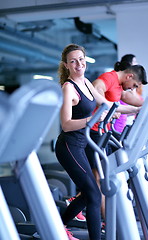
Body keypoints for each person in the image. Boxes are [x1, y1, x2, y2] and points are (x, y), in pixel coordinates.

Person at [55, 43, 115, 240]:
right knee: (94, 195)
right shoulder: (68, 88)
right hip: (68, 146)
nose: (78, 64)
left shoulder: (87, 83)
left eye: (81, 59)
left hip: (83, 144)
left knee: (91, 192)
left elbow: (104, 104)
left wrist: (130, 110)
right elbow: (66, 124)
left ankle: (57, 226)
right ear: (66, 65)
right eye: (73, 61)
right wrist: (92, 119)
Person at [85, 60, 148, 224]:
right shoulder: (110, 78)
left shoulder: (119, 87)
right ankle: (107, 220)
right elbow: (96, 87)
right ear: (129, 76)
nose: (133, 89)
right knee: (98, 179)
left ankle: (109, 219)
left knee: (103, 177)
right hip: (94, 133)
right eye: (134, 85)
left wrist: (138, 109)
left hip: (104, 133)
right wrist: (104, 105)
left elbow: (119, 107)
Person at [113, 54, 144, 135]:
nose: (137, 63)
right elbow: (124, 97)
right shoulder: (121, 84)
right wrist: (137, 109)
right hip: (117, 124)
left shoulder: (130, 86)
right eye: (134, 61)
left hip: (124, 123)